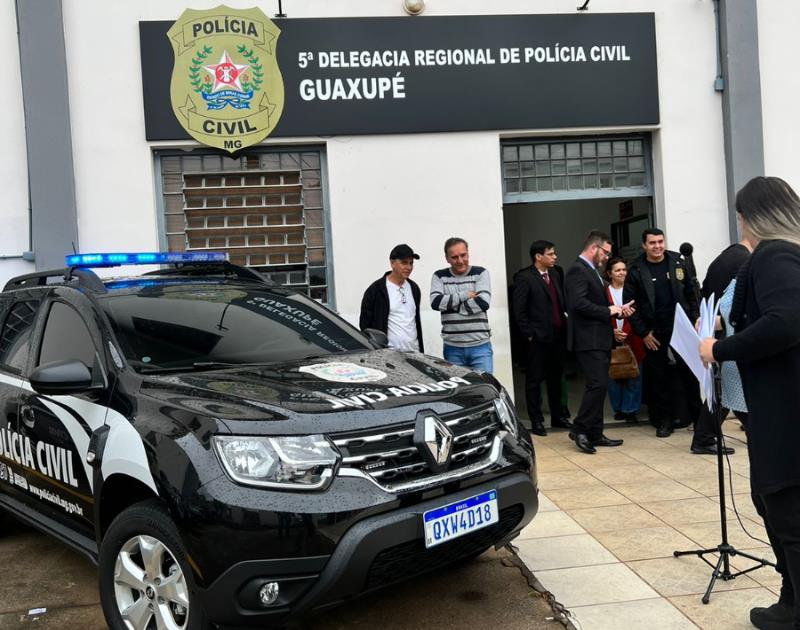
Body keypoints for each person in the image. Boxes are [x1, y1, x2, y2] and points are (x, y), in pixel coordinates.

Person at [699, 176, 800, 630]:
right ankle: (790, 599)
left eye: (741, 216)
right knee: (772, 500)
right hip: (777, 405)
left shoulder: (776, 254)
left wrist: (719, 350)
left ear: (752, 216)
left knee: (784, 507)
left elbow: (785, 322)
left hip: (786, 409)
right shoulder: (782, 254)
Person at [624, 228, 701, 438]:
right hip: (654, 331)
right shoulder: (636, 269)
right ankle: (664, 421)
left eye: (660, 242)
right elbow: (629, 306)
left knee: (690, 375)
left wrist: (696, 318)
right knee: (659, 378)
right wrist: (644, 332)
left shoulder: (678, 261)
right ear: (644, 245)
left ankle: (699, 421)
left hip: (681, 327)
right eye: (652, 243)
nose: (657, 246)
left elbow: (691, 293)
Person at [565, 230, 633, 454]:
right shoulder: (577, 270)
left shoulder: (591, 271)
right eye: (605, 252)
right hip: (588, 340)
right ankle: (580, 429)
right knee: (597, 384)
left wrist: (618, 312)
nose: (606, 257)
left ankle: (595, 432)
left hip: (599, 338)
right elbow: (578, 304)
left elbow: (595, 305)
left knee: (601, 385)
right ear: (594, 248)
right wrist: (607, 310)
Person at [691, 237, 752, 454]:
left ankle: (704, 436)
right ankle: (704, 437)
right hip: (731, 337)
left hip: (720, 332)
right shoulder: (745, 262)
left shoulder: (723, 258)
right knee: (731, 390)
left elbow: (708, 292)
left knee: (728, 391)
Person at [512, 240, 570, 436]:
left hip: (557, 335)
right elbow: (519, 311)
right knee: (534, 380)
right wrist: (529, 334)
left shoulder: (556, 273)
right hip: (537, 338)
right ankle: (536, 420)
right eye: (551, 254)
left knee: (556, 378)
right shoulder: (524, 277)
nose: (555, 257)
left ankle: (558, 416)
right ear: (538, 256)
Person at [430, 237, 493, 372]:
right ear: (447, 258)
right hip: (452, 348)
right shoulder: (439, 276)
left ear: (468, 253)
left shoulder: (481, 273)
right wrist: (464, 295)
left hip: (480, 347)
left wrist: (450, 305)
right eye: (454, 257)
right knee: (459, 392)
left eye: (463, 255)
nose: (460, 260)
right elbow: (435, 303)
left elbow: (483, 303)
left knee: (485, 389)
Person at [359, 244, 424, 352]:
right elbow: (365, 326)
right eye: (404, 262)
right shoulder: (376, 290)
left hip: (414, 352)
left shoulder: (414, 288)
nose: (408, 267)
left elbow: (414, 321)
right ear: (392, 263)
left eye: (411, 263)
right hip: (390, 355)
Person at [604, 257, 645, 423]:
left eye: (624, 269)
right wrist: (612, 332)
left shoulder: (634, 290)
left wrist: (626, 332)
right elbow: (601, 312)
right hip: (611, 337)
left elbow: (640, 312)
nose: (622, 273)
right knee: (614, 375)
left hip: (633, 337)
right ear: (609, 274)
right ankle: (619, 409)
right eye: (617, 270)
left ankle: (631, 410)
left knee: (634, 375)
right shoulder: (603, 291)